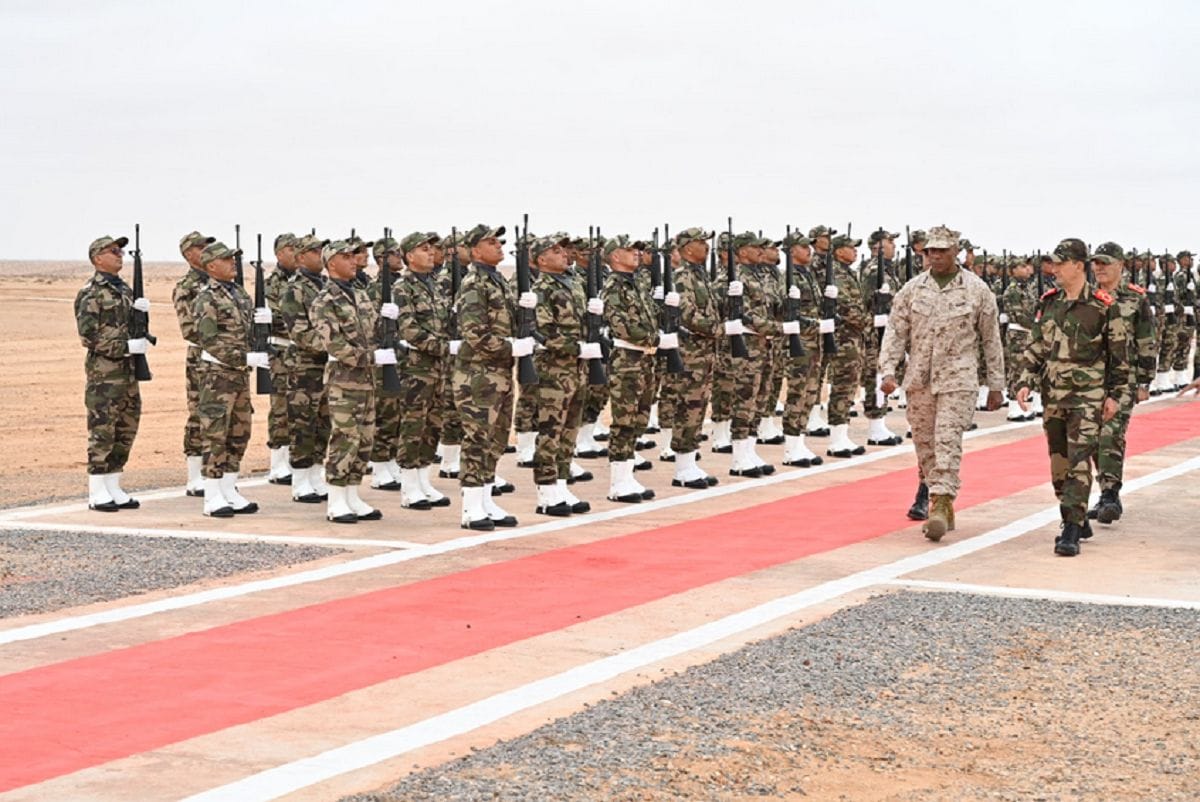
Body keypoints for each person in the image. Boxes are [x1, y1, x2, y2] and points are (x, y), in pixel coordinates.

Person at [879, 225, 1004, 542]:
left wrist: (996, 384)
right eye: (929, 251)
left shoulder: (976, 290)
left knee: (947, 439)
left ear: (955, 252)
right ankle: (940, 501)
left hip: (958, 380)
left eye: (941, 251)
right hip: (919, 379)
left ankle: (941, 502)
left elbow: (991, 340)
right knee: (925, 445)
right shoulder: (911, 290)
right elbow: (895, 333)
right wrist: (888, 371)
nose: (934, 256)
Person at [1014, 238, 1134, 557]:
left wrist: (1115, 396)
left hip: (1088, 397)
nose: (1053, 269)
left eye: (1060, 263)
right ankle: (1077, 516)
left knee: (1080, 460)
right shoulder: (1049, 302)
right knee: (1059, 466)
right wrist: (1025, 380)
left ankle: (1070, 528)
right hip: (1053, 395)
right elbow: (1037, 345)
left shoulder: (1104, 305)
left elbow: (1120, 358)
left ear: (1078, 266)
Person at [454, 224, 530, 529]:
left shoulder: (498, 281)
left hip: (498, 373)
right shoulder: (474, 284)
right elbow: (474, 334)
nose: (498, 246)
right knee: (477, 439)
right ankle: (471, 507)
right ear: (474, 251)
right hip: (477, 375)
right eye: (490, 242)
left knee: (496, 438)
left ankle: (485, 499)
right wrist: (512, 346)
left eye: (499, 242)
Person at [311, 240, 386, 523]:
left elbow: (374, 330)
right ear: (331, 264)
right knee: (345, 438)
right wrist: (374, 356)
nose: (354, 261)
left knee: (365, 440)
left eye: (354, 257)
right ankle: (336, 499)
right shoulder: (324, 301)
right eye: (346, 257)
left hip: (368, 380)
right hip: (344, 380)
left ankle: (353, 494)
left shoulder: (361, 295)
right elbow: (336, 346)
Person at [191, 241, 263, 517]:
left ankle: (229, 489)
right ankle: (211, 495)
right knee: (215, 433)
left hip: (239, 375)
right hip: (218, 375)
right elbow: (209, 340)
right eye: (226, 259)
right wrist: (242, 358)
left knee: (239, 431)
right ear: (211, 266)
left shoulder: (240, 295)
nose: (232, 263)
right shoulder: (207, 297)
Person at [528, 235, 599, 514]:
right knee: (550, 429)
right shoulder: (541, 289)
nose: (563, 254)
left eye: (563, 250)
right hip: (553, 369)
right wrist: (577, 347)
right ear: (541, 260)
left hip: (577, 368)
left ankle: (560, 482)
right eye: (555, 251)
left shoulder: (574, 283)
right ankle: (545, 491)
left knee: (570, 429)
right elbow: (543, 331)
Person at [1087, 242, 1156, 523]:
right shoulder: (1087, 297)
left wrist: (1144, 381)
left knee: (1110, 434)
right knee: (1091, 439)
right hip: (1090, 380)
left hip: (1123, 380)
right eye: (1096, 263)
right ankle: (1105, 488)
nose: (1099, 268)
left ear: (1120, 266)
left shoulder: (1135, 299)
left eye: (1105, 262)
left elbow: (1146, 341)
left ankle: (1110, 494)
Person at [75, 234, 144, 511]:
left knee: (126, 427)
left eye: (121, 251)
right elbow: (88, 337)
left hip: (127, 372)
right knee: (102, 429)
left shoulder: (124, 289)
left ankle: (113, 485)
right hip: (105, 374)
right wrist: (125, 346)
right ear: (97, 258)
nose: (120, 255)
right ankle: (96, 489)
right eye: (113, 251)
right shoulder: (91, 292)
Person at [393, 231, 454, 510]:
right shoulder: (402, 288)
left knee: (434, 424)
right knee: (413, 424)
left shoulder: (437, 285)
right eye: (424, 249)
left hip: (439, 368)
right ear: (409, 256)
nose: (432, 253)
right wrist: (444, 347)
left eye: (432, 249)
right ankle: (408, 486)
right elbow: (409, 329)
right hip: (416, 367)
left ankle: (423, 479)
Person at [603, 235, 664, 502]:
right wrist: (659, 339)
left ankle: (628, 475)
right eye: (630, 250)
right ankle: (618, 483)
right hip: (626, 360)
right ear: (615, 256)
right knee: (624, 421)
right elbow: (623, 327)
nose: (637, 254)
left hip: (645, 359)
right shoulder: (613, 287)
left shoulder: (636, 284)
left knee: (640, 418)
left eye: (638, 250)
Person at [661, 227, 722, 487]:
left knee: (698, 407)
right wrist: (719, 329)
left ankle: (689, 463)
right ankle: (682, 468)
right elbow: (687, 314)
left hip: (705, 353)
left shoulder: (702, 276)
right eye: (701, 243)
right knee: (688, 408)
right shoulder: (683, 277)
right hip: (690, 354)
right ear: (687, 249)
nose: (706, 247)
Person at [279, 233, 333, 503]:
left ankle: (315, 473)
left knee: (323, 421)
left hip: (326, 365)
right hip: (304, 366)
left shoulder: (325, 285)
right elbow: (299, 331)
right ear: (300, 258)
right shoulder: (294, 289)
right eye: (314, 251)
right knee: (303, 423)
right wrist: (334, 345)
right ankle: (300, 479)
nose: (319, 255)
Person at [172, 230, 216, 496]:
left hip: (224, 359)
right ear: (189, 254)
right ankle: (194, 475)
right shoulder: (186, 287)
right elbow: (190, 329)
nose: (206, 251)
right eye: (201, 248)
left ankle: (216, 473)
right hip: (201, 357)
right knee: (199, 414)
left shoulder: (219, 283)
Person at [824, 233, 871, 458]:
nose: (855, 251)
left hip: (853, 337)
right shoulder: (836, 274)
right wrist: (868, 322)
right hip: (843, 338)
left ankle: (842, 434)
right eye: (851, 248)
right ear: (838, 251)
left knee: (850, 386)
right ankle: (836, 438)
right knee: (843, 386)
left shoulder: (848, 273)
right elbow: (846, 307)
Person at [779, 230, 824, 467]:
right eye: (803, 246)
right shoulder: (788, 278)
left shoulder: (807, 275)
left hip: (813, 341)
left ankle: (800, 440)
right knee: (797, 392)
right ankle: (790, 447)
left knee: (810, 392)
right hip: (798, 343)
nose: (810, 250)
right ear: (791, 251)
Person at [263, 232, 298, 484]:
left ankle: (298, 459)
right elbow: (276, 319)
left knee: (304, 408)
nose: (295, 253)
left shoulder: (305, 281)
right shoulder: (270, 284)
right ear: (278, 253)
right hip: (281, 351)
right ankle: (278, 463)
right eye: (290, 248)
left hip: (303, 352)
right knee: (281, 408)